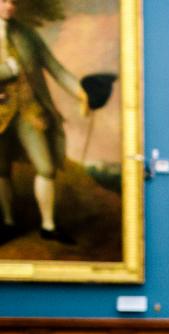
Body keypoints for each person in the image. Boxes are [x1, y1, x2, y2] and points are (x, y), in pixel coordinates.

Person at [0, 0, 92, 245]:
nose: (10, 6)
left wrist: (81, 92)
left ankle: (48, 225)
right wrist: (7, 71)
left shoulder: (27, 34)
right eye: (3, 1)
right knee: (1, 170)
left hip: (30, 111)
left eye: (12, 1)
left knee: (46, 167)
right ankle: (8, 222)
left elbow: (55, 67)